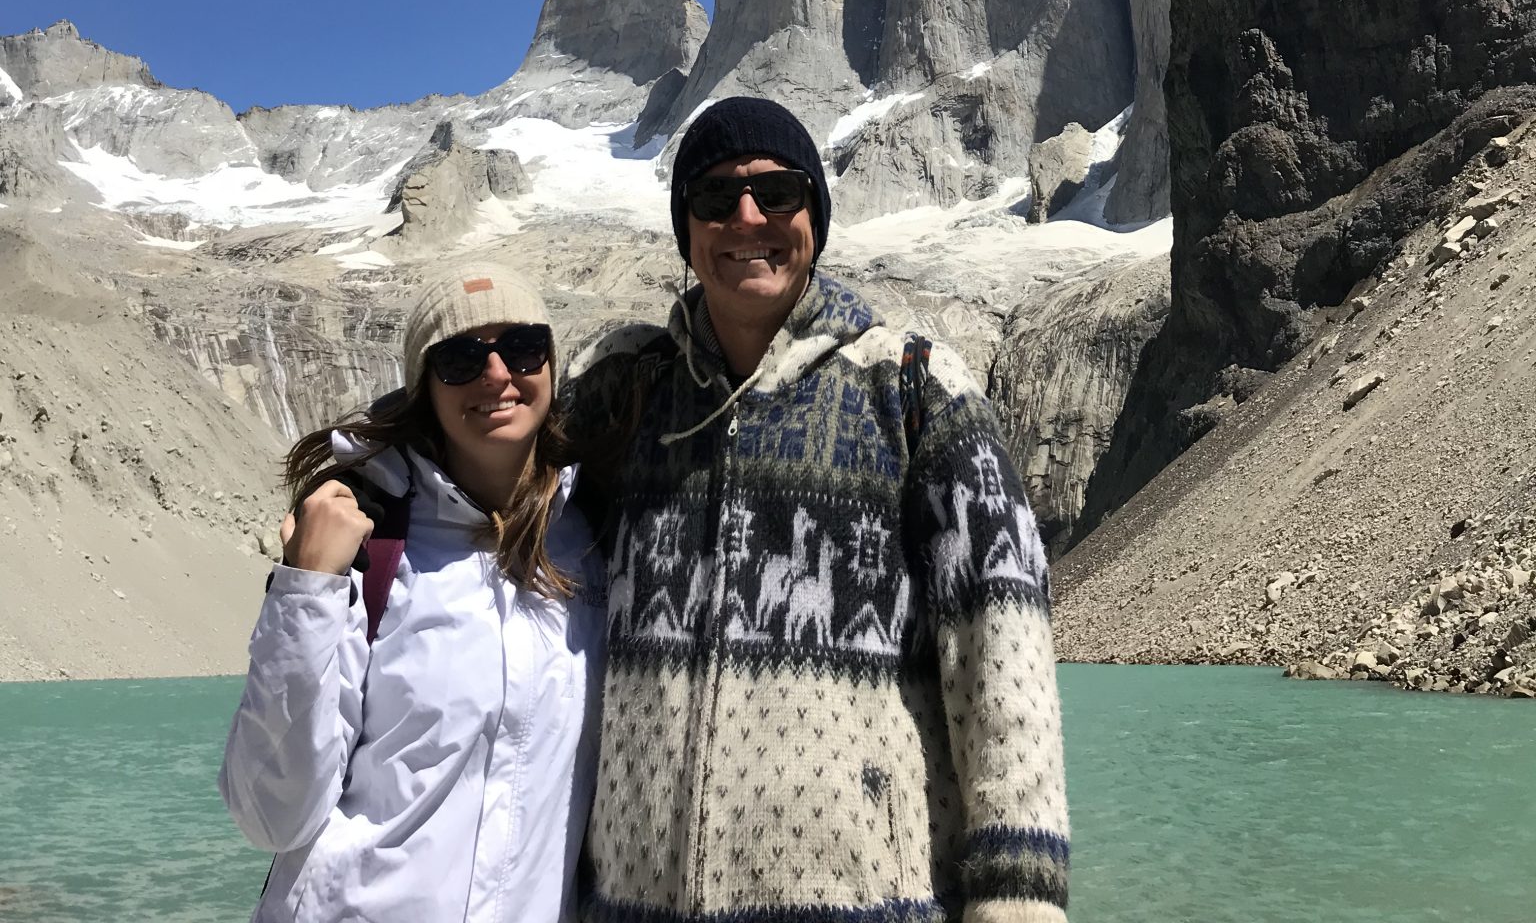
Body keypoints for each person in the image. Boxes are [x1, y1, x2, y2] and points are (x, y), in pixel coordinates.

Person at [565, 96, 1069, 923]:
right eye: (715, 197)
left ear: (816, 214)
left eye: (779, 192)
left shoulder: (915, 390)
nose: (748, 217)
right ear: (686, 227)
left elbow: (1002, 663)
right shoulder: (628, 392)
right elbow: (484, 453)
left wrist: (1018, 903)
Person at [220, 260, 604, 923]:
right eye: (459, 358)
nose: (496, 375)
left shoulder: (592, 545)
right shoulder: (371, 545)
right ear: (424, 387)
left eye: (521, 347)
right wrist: (306, 589)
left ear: (551, 364)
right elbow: (270, 816)